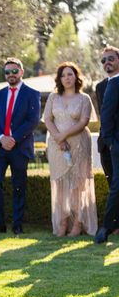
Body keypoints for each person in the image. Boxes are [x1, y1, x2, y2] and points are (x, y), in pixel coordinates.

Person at [0, 57, 41, 235]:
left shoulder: (32, 93)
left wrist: (13, 138)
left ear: (21, 72)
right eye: (7, 72)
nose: (11, 75)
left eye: (14, 71)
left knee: (19, 186)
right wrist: (0, 137)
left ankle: (17, 225)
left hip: (20, 147)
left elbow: (33, 121)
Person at [43, 62, 97, 237]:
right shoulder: (53, 97)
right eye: (63, 75)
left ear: (76, 77)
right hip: (57, 146)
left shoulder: (84, 99)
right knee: (60, 184)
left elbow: (83, 122)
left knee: (77, 185)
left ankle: (78, 223)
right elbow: (48, 119)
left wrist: (62, 135)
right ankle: (63, 221)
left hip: (79, 143)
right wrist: (58, 139)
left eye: (70, 74)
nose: (67, 78)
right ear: (59, 79)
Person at [95, 47, 119, 244]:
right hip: (112, 144)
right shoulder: (104, 85)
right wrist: (110, 142)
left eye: (110, 59)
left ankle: (108, 227)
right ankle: (109, 226)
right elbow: (106, 114)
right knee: (115, 186)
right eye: (103, 61)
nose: (107, 63)